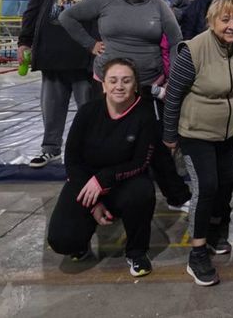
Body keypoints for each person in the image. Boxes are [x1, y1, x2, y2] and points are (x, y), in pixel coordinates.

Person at [60, 0, 192, 213]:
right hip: (108, 86)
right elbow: (68, 17)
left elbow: (176, 41)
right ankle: (97, 192)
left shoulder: (159, 7)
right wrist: (90, 44)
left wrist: (174, 78)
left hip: (146, 87)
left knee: (154, 145)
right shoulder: (105, 0)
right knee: (103, 141)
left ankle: (176, 196)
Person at [163, 0, 233, 286]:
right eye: (225, 19)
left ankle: (216, 230)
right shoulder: (192, 50)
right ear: (211, 21)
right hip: (195, 133)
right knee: (205, 187)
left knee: (222, 186)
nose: (232, 25)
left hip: (230, 134)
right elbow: (173, 97)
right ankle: (197, 252)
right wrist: (169, 137)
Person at [47, 58, 156, 277]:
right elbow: (72, 160)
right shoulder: (88, 112)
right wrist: (93, 203)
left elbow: (140, 162)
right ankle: (81, 240)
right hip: (87, 183)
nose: (119, 86)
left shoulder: (145, 115)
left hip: (123, 182)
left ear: (135, 85)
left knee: (143, 192)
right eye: (113, 80)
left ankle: (136, 251)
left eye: (126, 81)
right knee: (62, 241)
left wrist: (105, 179)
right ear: (103, 85)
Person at [17, 0, 112, 168]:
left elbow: (112, 18)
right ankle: (50, 149)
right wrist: (24, 42)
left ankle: (91, 151)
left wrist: (102, 2)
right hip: (52, 56)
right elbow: (32, 12)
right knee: (52, 109)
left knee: (89, 110)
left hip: (85, 59)